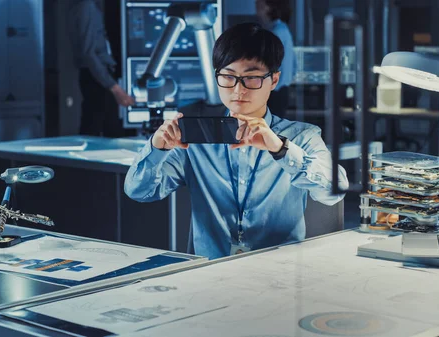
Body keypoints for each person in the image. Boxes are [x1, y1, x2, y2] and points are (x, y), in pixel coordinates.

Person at [124, 23, 348, 259]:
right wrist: (157, 148)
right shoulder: (194, 141)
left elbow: (335, 192)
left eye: (251, 78)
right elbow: (139, 192)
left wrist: (280, 149)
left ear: (274, 80)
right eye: (228, 77)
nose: (238, 90)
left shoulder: (302, 136)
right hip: (210, 272)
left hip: (281, 272)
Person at [68, 0, 135, 137]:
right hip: (96, 74)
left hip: (96, 73)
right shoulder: (86, 6)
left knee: (101, 124)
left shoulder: (83, 6)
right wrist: (115, 88)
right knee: (95, 125)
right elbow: (89, 53)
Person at [255, 0, 296, 118]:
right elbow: (293, 65)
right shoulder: (281, 29)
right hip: (280, 91)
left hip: (274, 92)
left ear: (268, 7)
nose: (256, 6)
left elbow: (265, 64)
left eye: (259, 3)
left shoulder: (276, 32)